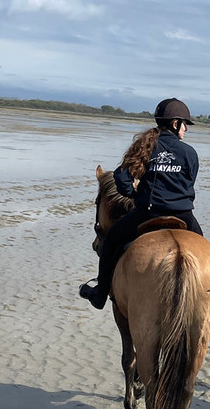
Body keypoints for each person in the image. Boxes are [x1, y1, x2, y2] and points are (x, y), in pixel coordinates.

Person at [80, 98, 203, 309]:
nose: (186, 129)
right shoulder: (189, 153)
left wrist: (133, 195)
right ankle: (202, 297)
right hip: (183, 215)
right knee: (203, 249)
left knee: (110, 241)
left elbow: (121, 177)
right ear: (175, 124)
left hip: (148, 213)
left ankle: (100, 294)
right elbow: (190, 181)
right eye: (185, 124)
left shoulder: (144, 146)